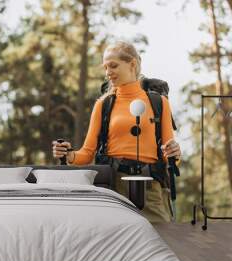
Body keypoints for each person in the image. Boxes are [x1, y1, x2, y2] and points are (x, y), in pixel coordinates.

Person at [52, 41, 181, 222]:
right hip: (114, 186)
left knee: (162, 240)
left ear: (132, 64)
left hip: (150, 187)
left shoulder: (159, 103)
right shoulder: (103, 105)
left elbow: (170, 155)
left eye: (113, 66)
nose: (108, 73)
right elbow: (87, 154)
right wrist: (68, 155)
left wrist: (175, 152)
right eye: (105, 67)